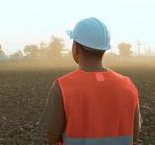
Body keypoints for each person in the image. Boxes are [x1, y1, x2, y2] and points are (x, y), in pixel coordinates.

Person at [41, 17, 142, 145]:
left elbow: (52, 136)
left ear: (75, 48)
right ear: (104, 49)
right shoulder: (128, 85)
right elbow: (135, 135)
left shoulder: (62, 86)